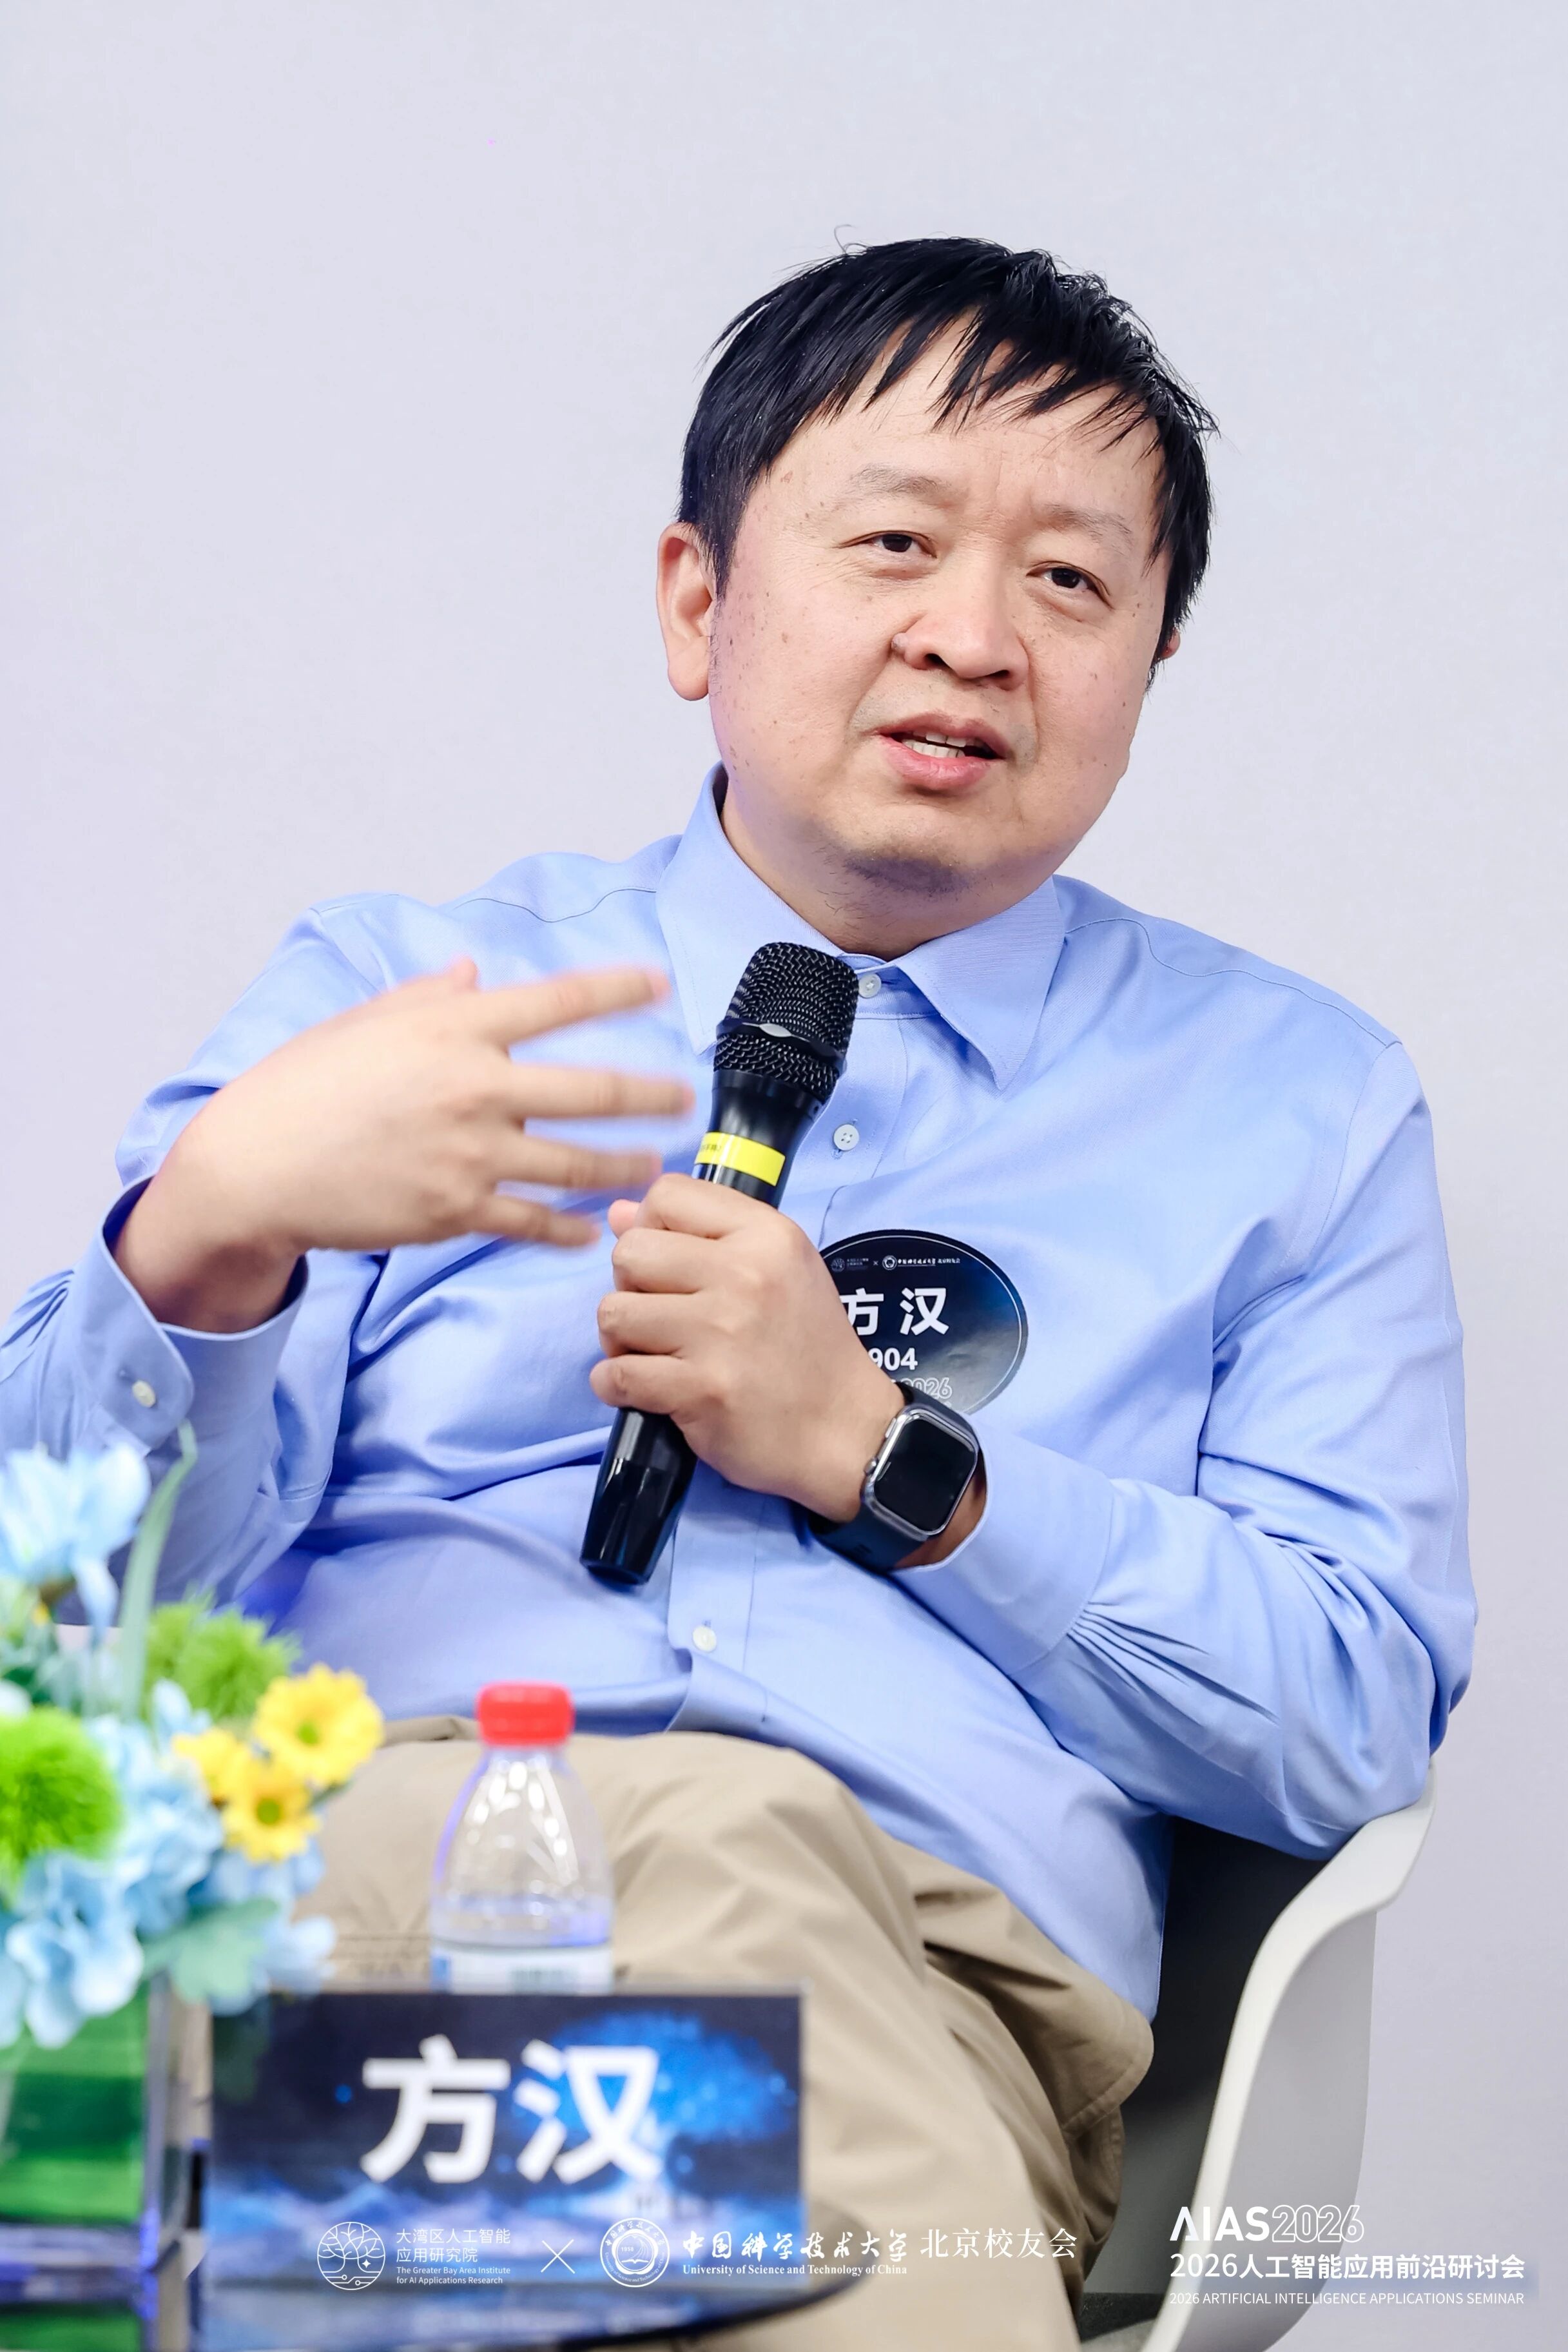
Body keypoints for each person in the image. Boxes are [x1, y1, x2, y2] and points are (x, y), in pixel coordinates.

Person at [0, 239, 1473, 2349]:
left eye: (1069, 580)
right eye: (894, 543)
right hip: (344, 1917)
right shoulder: (408, 1000)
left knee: (727, 1879)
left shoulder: (1292, 1106)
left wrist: (892, 1463)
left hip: (906, 1985)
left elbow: (1344, 1718)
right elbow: (46, 1621)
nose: (971, 634)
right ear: (697, 602)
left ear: (1147, 666)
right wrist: (210, 1236)